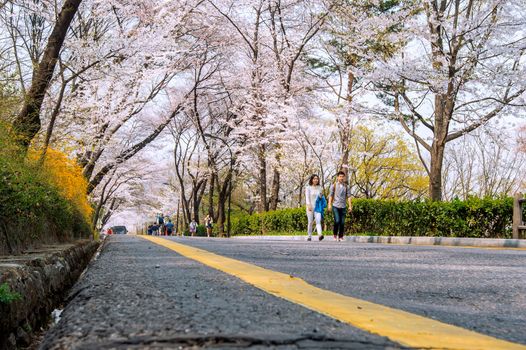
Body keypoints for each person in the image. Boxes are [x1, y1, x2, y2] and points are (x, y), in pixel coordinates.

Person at [328, 171, 352, 242]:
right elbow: (331, 196)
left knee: (342, 222)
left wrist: (350, 206)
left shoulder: (346, 186)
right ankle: (335, 235)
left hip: (343, 206)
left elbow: (349, 196)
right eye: (340, 176)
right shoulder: (334, 185)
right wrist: (329, 204)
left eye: (342, 176)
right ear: (337, 177)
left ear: (344, 177)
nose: (341, 178)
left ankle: (341, 236)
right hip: (335, 205)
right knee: (337, 221)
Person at [305, 174, 324, 241]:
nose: (316, 180)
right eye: (314, 179)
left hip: (317, 207)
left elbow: (321, 197)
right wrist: (308, 205)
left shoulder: (320, 187)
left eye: (317, 178)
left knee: (318, 221)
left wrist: (321, 197)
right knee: (310, 222)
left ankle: (320, 235)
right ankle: (309, 236)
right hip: (310, 206)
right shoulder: (308, 187)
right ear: (312, 180)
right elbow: (307, 197)